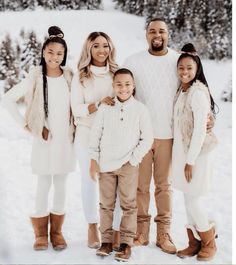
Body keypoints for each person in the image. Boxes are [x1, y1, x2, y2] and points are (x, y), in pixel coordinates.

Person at [2, 26, 75, 251]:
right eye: (51, 52)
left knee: (61, 184)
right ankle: (41, 234)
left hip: (65, 139)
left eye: (59, 53)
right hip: (44, 140)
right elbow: (8, 99)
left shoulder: (69, 76)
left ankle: (57, 232)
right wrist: (28, 125)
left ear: (64, 56)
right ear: (44, 52)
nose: (55, 57)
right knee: (44, 184)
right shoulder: (35, 76)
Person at [123, 18, 179, 254]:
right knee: (140, 187)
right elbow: (122, 91)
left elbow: (196, 88)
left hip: (168, 134)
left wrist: (208, 117)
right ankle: (141, 231)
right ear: (146, 34)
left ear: (168, 34)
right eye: (153, 30)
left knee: (164, 186)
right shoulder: (133, 61)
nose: (158, 34)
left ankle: (164, 233)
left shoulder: (178, 60)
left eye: (162, 31)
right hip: (141, 136)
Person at [89, 68, 153, 261]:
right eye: (119, 84)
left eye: (127, 84)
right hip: (106, 165)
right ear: (113, 86)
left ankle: (126, 243)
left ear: (133, 86)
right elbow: (95, 136)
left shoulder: (141, 109)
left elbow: (147, 138)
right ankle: (106, 241)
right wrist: (94, 160)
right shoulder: (106, 108)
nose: (123, 88)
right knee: (106, 205)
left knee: (129, 205)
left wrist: (133, 159)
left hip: (128, 165)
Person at [71, 31, 121, 249]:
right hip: (86, 133)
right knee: (90, 180)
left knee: (115, 183)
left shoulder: (117, 73)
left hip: (112, 135)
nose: (102, 50)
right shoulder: (80, 76)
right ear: (88, 49)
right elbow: (76, 109)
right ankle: (92, 225)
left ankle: (115, 228)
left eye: (105, 45)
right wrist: (97, 104)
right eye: (96, 46)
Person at [173, 43, 218, 261]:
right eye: (181, 68)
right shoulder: (182, 90)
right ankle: (194, 242)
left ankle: (209, 240)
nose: (184, 72)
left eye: (189, 68)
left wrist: (190, 160)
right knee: (186, 198)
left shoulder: (198, 92)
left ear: (197, 68)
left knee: (193, 200)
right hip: (182, 154)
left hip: (196, 156)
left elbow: (200, 128)